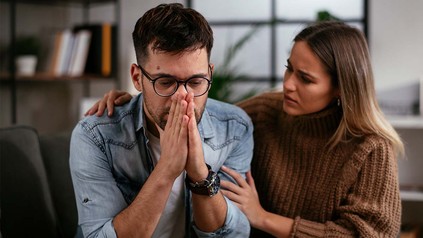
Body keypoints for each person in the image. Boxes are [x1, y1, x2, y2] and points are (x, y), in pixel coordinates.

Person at [91, 22, 403, 237]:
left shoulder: (371, 148)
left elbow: (370, 235)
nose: (288, 84)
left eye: (305, 79)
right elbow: (204, 113)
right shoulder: (266, 111)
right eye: (288, 68)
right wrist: (136, 102)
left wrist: (264, 218)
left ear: (340, 89)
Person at [70, 3, 253, 238]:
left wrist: (200, 174)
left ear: (210, 74)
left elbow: (233, 235)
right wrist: (167, 168)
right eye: (165, 82)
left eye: (196, 82)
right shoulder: (95, 135)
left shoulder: (234, 128)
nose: (183, 98)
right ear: (137, 78)